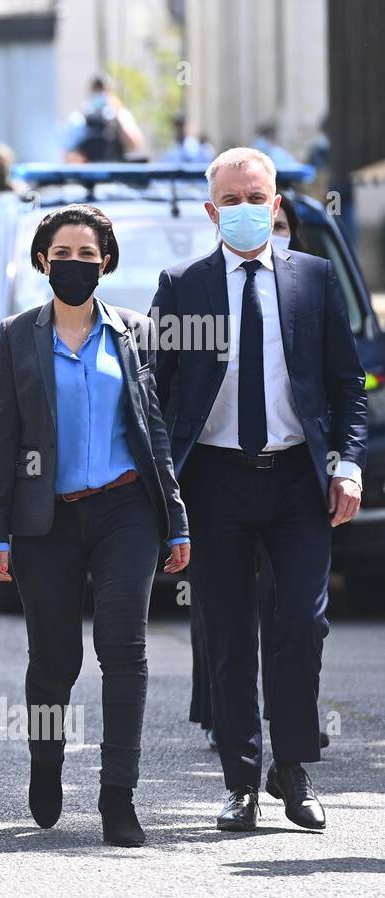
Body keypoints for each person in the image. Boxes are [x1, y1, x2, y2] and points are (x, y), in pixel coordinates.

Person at [152, 148, 366, 833]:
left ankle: (293, 771)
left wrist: (348, 463)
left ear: (276, 205)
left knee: (301, 623)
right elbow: (155, 388)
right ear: (212, 211)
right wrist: (163, 483)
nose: (247, 209)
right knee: (227, 633)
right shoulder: (182, 285)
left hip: (297, 480)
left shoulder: (313, 278)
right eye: (232, 200)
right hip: (215, 481)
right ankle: (240, 781)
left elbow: (347, 387)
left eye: (258, 197)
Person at [0, 204, 189, 848]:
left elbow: (153, 431)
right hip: (47, 518)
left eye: (88, 254)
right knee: (54, 660)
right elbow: (5, 436)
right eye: (62, 254)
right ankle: (48, 765)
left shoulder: (132, 332)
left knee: (124, 647)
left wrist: (175, 522)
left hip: (125, 510)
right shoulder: (18, 333)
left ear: (107, 261)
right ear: (43, 260)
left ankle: (117, 797)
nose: (75, 264)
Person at [62, 75, 145, 164]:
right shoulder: (79, 118)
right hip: (90, 173)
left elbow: (135, 144)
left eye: (103, 89)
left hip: (116, 172)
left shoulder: (121, 114)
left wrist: (117, 115)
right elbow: (67, 153)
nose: (101, 93)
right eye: (97, 89)